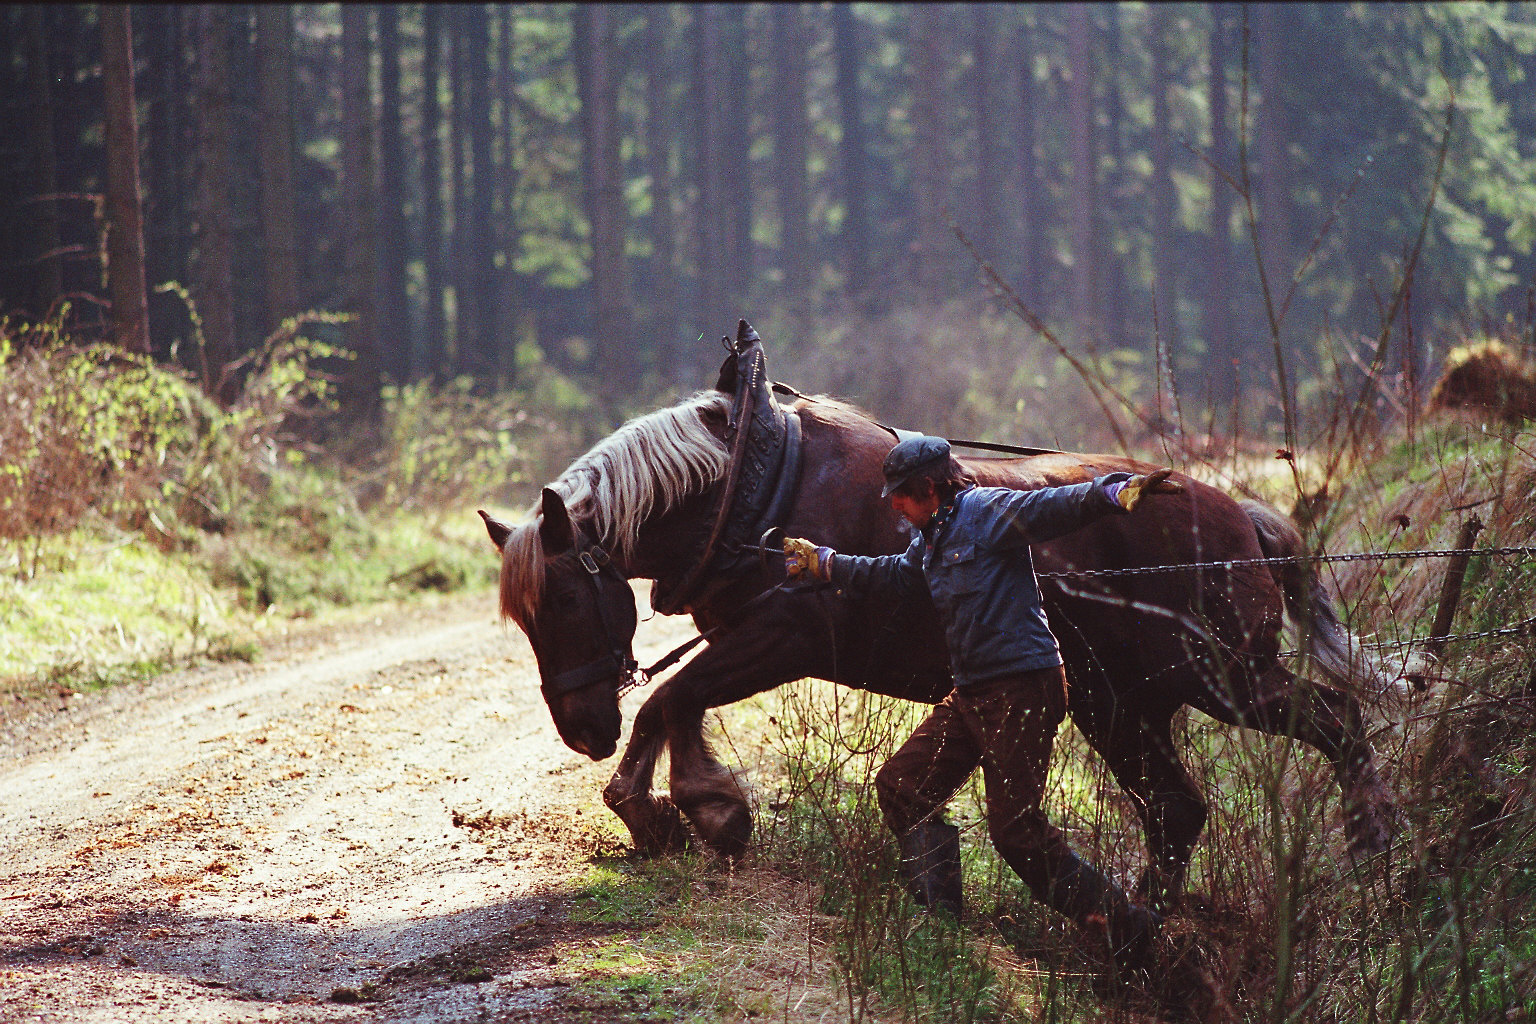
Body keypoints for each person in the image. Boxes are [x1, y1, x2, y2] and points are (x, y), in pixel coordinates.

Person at [781, 435, 1182, 970]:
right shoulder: (932, 535)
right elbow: (900, 575)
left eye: (900, 495)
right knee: (904, 786)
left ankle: (1127, 926)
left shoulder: (987, 511)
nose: (894, 505)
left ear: (928, 487)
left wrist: (1113, 492)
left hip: (1021, 688)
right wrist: (827, 565)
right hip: (974, 690)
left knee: (1016, 832)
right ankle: (942, 925)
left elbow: (1052, 506)